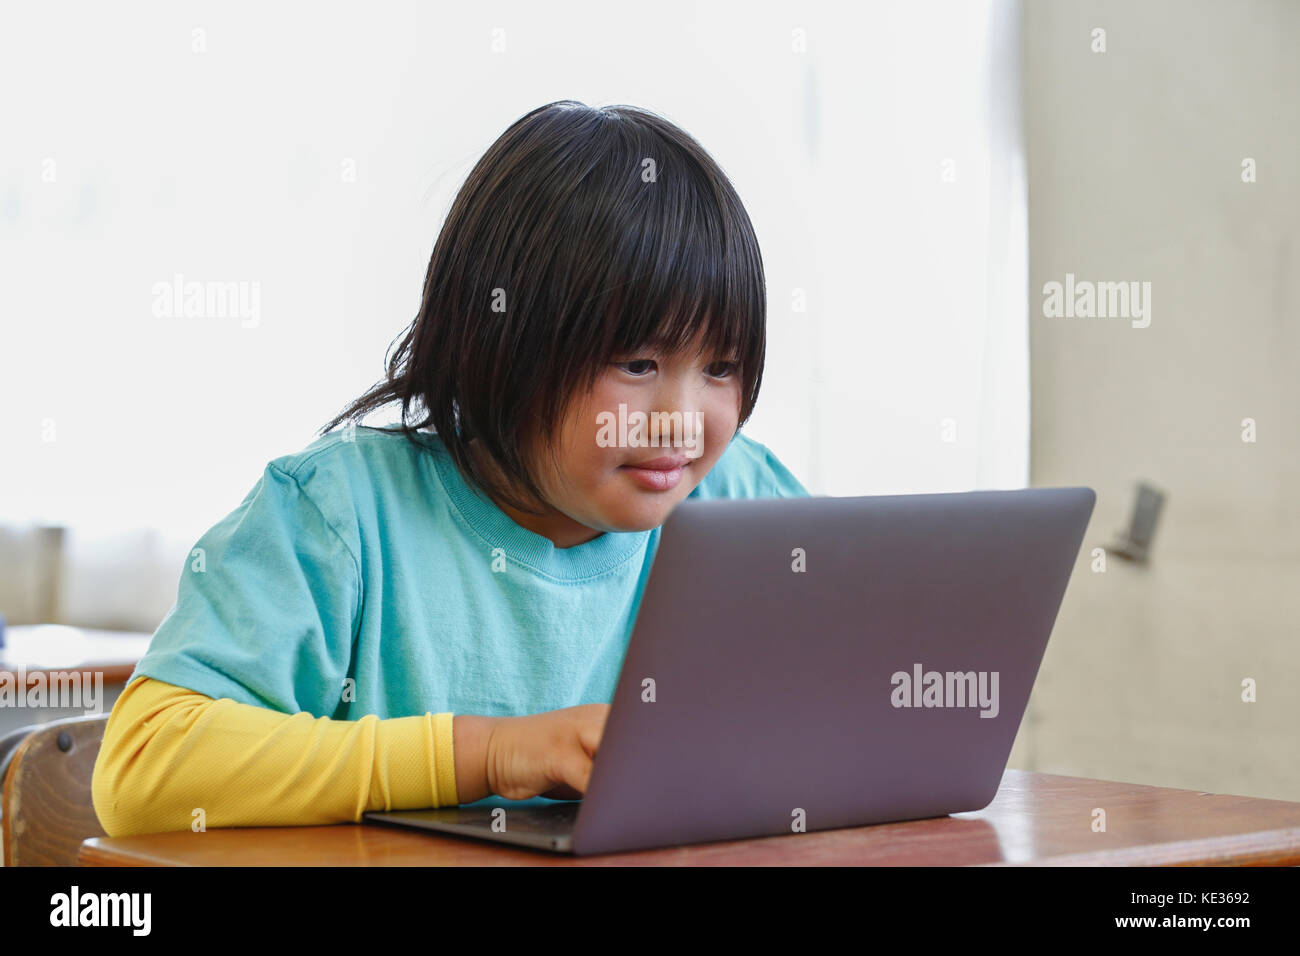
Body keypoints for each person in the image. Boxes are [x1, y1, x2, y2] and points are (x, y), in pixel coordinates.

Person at [91, 100, 808, 837]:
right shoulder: (341, 517)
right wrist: (489, 754)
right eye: (637, 362)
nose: (681, 420)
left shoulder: (742, 501)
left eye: (721, 366)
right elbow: (143, 769)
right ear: (502, 340)